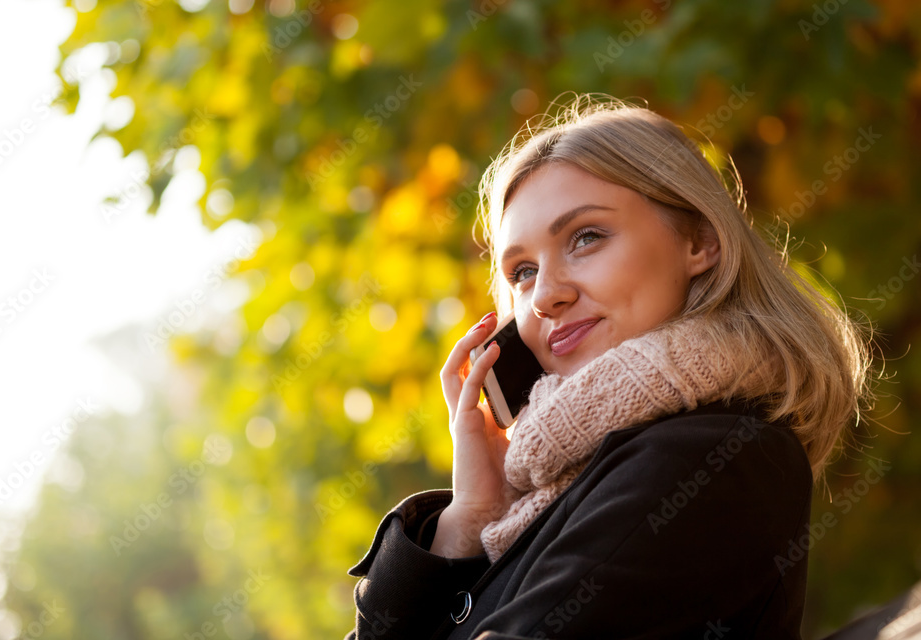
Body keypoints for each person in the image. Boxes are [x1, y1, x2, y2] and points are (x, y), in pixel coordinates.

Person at [343, 94, 874, 640]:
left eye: (586, 237)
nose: (546, 295)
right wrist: (466, 524)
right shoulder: (541, 493)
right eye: (522, 272)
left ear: (701, 240)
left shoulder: (717, 457)